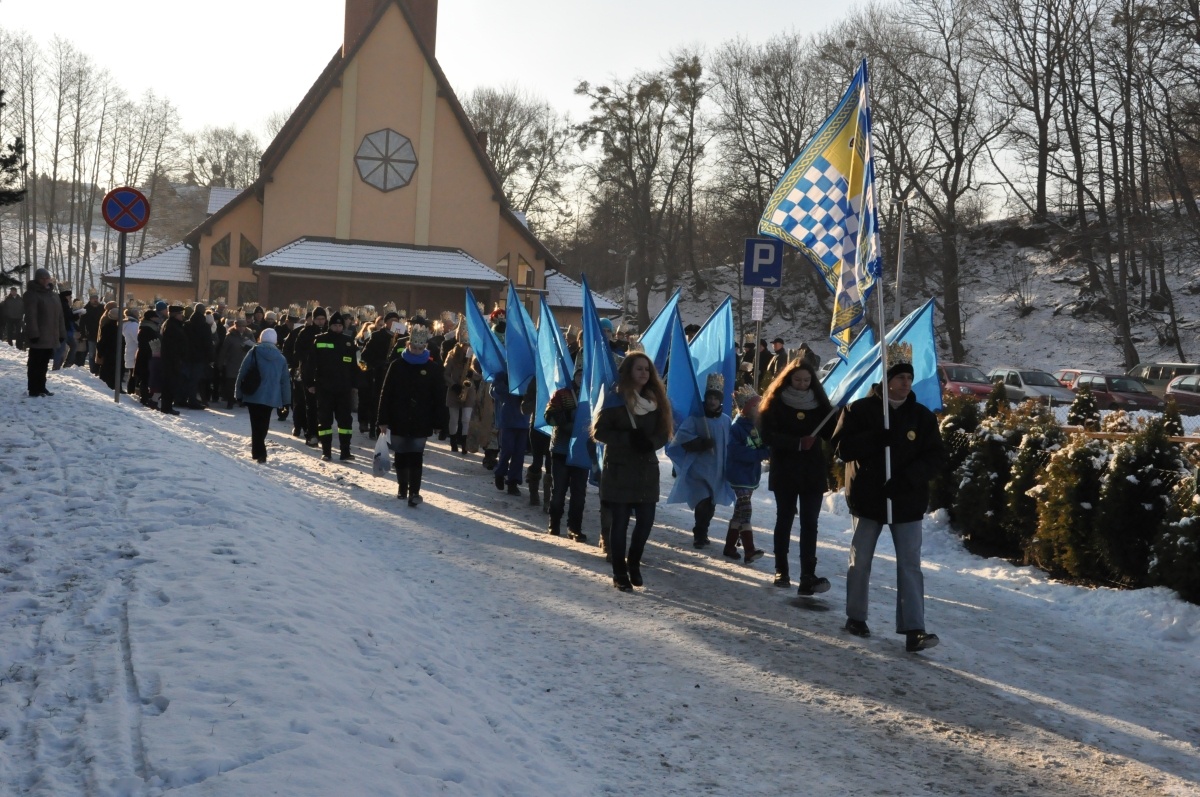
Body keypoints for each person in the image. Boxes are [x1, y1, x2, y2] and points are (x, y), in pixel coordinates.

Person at [832, 344, 945, 653]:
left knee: (910, 565)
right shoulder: (859, 410)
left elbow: (935, 457)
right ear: (886, 379)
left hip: (906, 500)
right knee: (861, 560)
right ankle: (856, 617)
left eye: (909, 377)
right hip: (868, 498)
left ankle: (914, 628)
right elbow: (842, 449)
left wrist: (908, 479)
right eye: (899, 377)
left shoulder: (921, 417)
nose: (906, 383)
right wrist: (874, 439)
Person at [591, 352, 672, 592]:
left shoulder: (656, 400)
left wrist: (650, 443)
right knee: (620, 523)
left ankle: (634, 561)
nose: (644, 373)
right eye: (639, 368)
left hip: (646, 471)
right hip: (619, 469)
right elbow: (599, 432)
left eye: (647, 369)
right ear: (628, 371)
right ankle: (619, 573)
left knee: (645, 522)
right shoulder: (615, 399)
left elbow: (663, 432)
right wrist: (628, 438)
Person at [760, 359, 835, 593]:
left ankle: (807, 575)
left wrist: (837, 416)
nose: (802, 384)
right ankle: (781, 569)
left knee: (810, 523)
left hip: (812, 471)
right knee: (784, 519)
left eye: (807, 380)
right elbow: (767, 436)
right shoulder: (776, 402)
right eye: (798, 380)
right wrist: (797, 443)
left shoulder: (820, 404)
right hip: (785, 469)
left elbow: (830, 432)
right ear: (788, 380)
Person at [377, 325, 445, 507]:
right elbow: (386, 393)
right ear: (408, 345)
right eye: (414, 347)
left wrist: (439, 422)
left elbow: (439, 396)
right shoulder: (397, 365)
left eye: (420, 348)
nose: (416, 351)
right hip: (398, 416)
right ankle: (402, 486)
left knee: (416, 454)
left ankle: (415, 491)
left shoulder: (432, 368)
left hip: (421, 418)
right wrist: (382, 420)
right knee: (401, 453)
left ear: (425, 348)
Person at [665, 374, 734, 549]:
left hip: (716, 468)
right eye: (709, 397)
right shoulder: (696, 419)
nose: (712, 401)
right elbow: (681, 438)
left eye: (715, 398)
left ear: (720, 401)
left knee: (710, 504)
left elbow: (731, 443)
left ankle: (704, 530)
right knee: (702, 501)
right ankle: (699, 533)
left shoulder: (726, 421)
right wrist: (700, 443)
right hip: (698, 469)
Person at [724, 387, 771, 563]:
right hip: (739, 475)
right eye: (755, 406)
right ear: (746, 409)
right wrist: (760, 454)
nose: (759, 409)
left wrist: (768, 449)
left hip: (750, 476)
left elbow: (762, 444)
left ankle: (729, 547)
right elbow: (736, 451)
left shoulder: (757, 426)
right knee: (746, 510)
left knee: (739, 512)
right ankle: (749, 550)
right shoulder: (736, 428)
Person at [304, 311, 358, 462]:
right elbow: (310, 364)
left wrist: (355, 384)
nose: (338, 328)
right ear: (330, 326)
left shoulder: (348, 342)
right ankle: (326, 451)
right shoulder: (320, 340)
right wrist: (310, 383)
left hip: (343, 388)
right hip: (325, 388)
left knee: (345, 422)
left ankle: (345, 451)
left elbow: (354, 366)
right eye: (335, 325)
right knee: (325, 420)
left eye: (340, 326)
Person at [544, 363, 589, 542]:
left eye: (584, 375)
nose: (581, 378)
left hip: (581, 451)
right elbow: (549, 416)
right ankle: (554, 523)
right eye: (579, 374)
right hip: (561, 449)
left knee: (579, 493)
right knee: (559, 491)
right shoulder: (562, 394)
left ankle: (574, 528)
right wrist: (566, 418)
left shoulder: (591, 396)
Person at [235, 327, 291, 464]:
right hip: (272, 396)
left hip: (253, 394)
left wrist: (238, 393)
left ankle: (259, 452)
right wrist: (286, 401)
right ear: (275, 340)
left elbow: (242, 372)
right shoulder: (281, 358)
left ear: (261, 338)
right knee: (264, 423)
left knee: (255, 423)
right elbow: (285, 381)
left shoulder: (254, 352)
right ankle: (260, 452)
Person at [21, 268, 66, 397]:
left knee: (44, 363)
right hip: (39, 335)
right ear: (37, 279)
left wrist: (61, 333)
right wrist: (34, 333)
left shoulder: (53, 295)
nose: (46, 280)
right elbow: (31, 316)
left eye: (47, 278)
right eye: (43, 278)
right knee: (35, 363)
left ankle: (41, 387)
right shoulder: (32, 294)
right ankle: (33, 388)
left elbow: (60, 316)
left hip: (51, 335)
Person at [491, 372, 530, 496]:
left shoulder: (529, 372)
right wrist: (507, 386)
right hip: (508, 419)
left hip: (523, 420)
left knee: (519, 454)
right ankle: (500, 472)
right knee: (507, 450)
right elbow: (493, 392)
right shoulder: (503, 373)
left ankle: (513, 482)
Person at [443, 335, 477, 455]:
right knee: (454, 419)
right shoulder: (452, 355)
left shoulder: (474, 356)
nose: (467, 348)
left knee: (466, 418)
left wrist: (473, 374)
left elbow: (480, 375)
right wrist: (453, 385)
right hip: (454, 390)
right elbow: (446, 374)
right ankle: (453, 441)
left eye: (469, 345)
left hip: (469, 390)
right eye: (465, 345)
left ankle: (464, 443)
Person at [218, 318, 255, 408]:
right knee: (231, 383)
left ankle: (241, 400)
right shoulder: (230, 336)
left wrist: (249, 347)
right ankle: (230, 401)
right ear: (236, 326)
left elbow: (254, 346)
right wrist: (220, 363)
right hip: (232, 362)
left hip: (244, 362)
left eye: (243, 326)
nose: (241, 328)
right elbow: (224, 350)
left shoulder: (249, 335)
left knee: (242, 382)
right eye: (239, 326)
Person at [158, 305, 188, 416]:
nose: (182, 316)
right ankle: (167, 407)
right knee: (170, 384)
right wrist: (178, 358)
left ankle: (167, 406)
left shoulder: (172, 324)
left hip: (172, 359)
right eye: (180, 314)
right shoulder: (172, 326)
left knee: (170, 384)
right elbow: (173, 345)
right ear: (175, 315)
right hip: (172, 360)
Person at [135, 307, 162, 408]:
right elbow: (152, 344)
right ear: (151, 318)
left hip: (147, 356)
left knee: (146, 377)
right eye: (156, 317)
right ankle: (145, 398)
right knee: (145, 377)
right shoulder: (148, 329)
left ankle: (146, 397)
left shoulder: (149, 328)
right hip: (147, 357)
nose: (158, 318)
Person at [121, 308, 139, 394]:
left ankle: (131, 390)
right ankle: (132, 391)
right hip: (134, 350)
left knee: (132, 373)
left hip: (130, 350)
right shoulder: (133, 325)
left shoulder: (126, 323)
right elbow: (137, 338)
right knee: (134, 374)